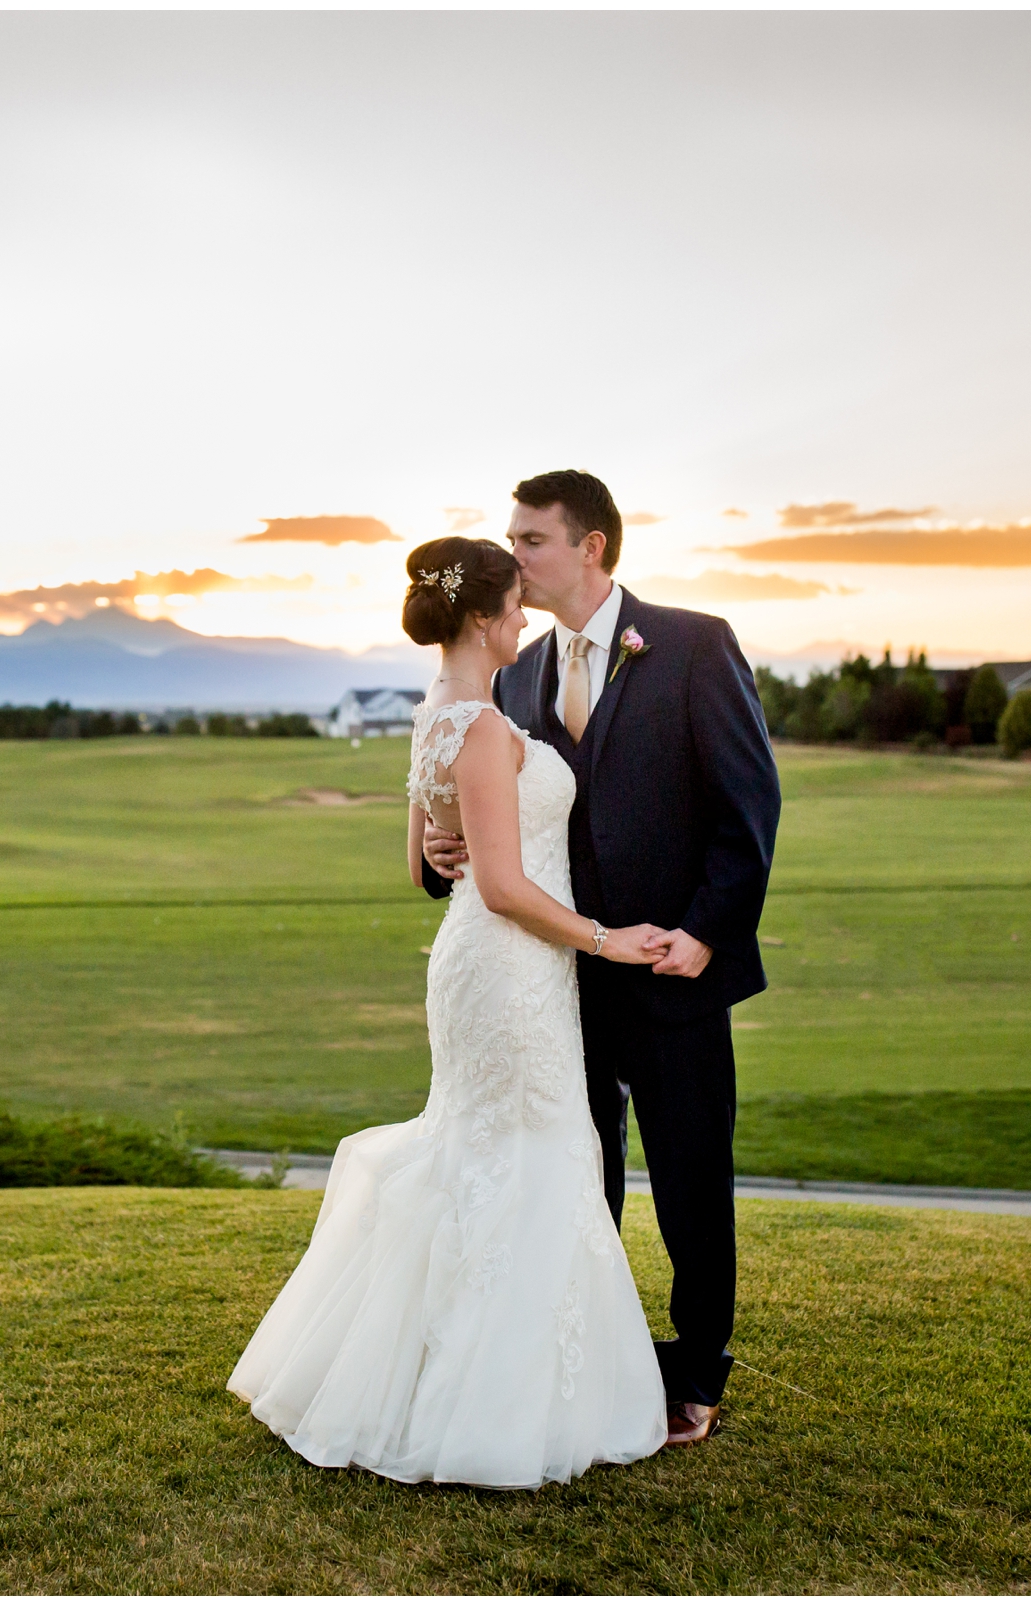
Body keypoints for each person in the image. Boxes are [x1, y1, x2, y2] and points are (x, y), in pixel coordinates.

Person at [227, 533, 673, 1488]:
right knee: (527, 1152)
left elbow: (428, 855)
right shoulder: (476, 724)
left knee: (488, 1148)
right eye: (514, 605)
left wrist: (439, 846)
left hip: (491, 965)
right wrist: (609, 939)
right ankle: (485, 1407)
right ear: (482, 616)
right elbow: (504, 886)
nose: (524, 619)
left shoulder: (437, 714)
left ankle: (451, 1374)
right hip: (510, 965)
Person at [420, 470, 783, 1447]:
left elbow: (749, 808)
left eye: (531, 539)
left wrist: (704, 934)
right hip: (554, 978)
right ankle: (596, 1360)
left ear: (592, 548)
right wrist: (437, 849)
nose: (515, 557)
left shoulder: (695, 644)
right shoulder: (519, 673)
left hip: (673, 966)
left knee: (692, 1177)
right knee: (578, 1175)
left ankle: (697, 1372)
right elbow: (484, 812)